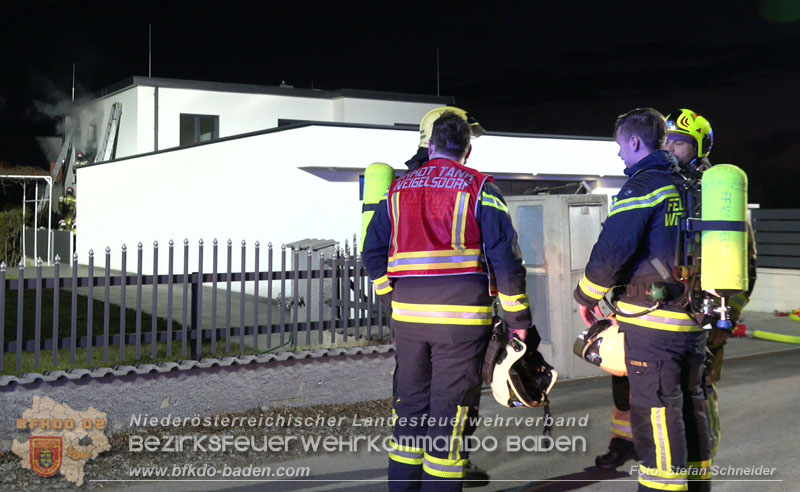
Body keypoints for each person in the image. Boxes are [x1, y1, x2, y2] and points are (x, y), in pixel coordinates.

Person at [363, 112, 538, 491]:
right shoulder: (480, 189)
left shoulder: (397, 189)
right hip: (461, 324)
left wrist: (388, 294)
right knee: (449, 418)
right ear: (468, 150)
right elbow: (505, 261)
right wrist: (518, 319)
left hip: (408, 321)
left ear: (430, 145)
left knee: (409, 412)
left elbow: (371, 250)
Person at [574, 108, 711, 491]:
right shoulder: (690, 184)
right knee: (690, 406)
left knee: (656, 414)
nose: (619, 154)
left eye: (620, 145)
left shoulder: (643, 185)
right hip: (693, 321)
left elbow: (613, 249)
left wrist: (586, 294)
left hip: (653, 324)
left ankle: (662, 486)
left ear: (635, 141)